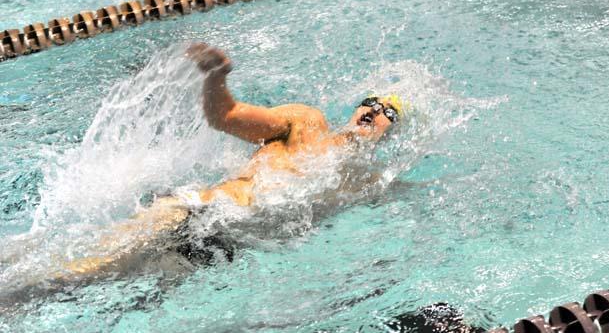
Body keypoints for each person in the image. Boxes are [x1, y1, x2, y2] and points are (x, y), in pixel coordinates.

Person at [55, 43, 405, 279]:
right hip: (196, 213)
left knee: (102, 288)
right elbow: (226, 116)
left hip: (219, 248)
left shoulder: (366, 181)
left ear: (389, 132)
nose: (376, 112)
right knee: (78, 270)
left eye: (388, 112)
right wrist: (215, 77)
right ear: (357, 107)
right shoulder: (305, 122)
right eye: (372, 103)